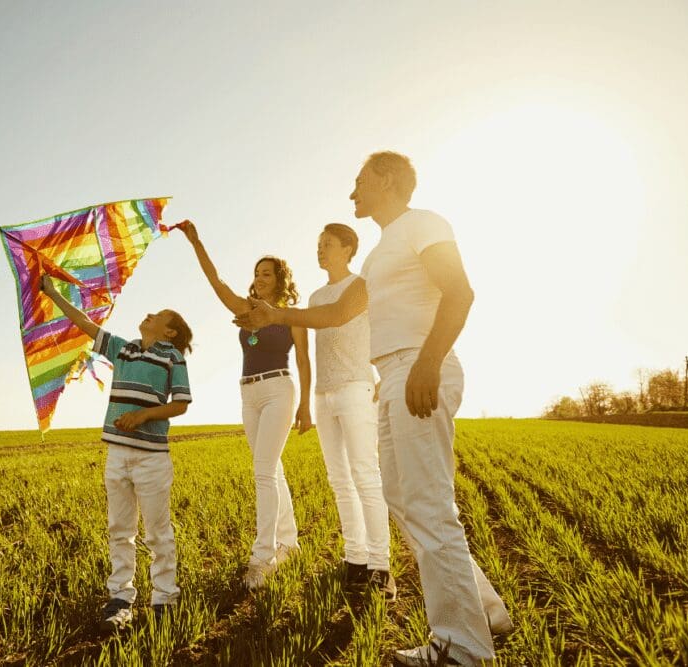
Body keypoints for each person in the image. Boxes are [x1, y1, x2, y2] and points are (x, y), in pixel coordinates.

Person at [235, 152, 512, 666]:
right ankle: (487, 612)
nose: (352, 192)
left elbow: (460, 291)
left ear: (386, 180)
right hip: (394, 375)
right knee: (403, 499)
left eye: (359, 182)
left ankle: (464, 648)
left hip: (418, 367)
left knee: (428, 504)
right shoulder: (378, 256)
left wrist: (427, 363)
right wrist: (275, 313)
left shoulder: (423, 225)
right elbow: (337, 313)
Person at [40, 275, 193, 631]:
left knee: (157, 531)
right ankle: (120, 598)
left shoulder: (172, 358)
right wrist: (53, 293)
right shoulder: (122, 348)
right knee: (119, 529)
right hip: (117, 456)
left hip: (152, 459)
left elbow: (182, 404)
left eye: (159, 315)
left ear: (170, 332)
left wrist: (143, 415)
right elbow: (84, 324)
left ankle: (165, 597)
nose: (149, 314)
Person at [178, 221, 312, 590]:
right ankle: (289, 542)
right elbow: (216, 281)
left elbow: (303, 360)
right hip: (248, 393)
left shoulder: (290, 315)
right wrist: (196, 241)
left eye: (267, 273)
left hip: (279, 390)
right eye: (257, 273)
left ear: (280, 279)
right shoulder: (246, 307)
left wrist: (306, 407)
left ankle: (263, 557)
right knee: (272, 469)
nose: (260, 278)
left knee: (263, 472)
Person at [310, 223, 394, 596]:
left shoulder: (362, 286)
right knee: (339, 480)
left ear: (347, 248)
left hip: (357, 387)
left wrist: (381, 373)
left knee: (365, 475)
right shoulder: (314, 297)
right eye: (318, 245)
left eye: (327, 244)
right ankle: (355, 559)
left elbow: (381, 327)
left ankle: (381, 566)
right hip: (323, 394)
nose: (320, 250)